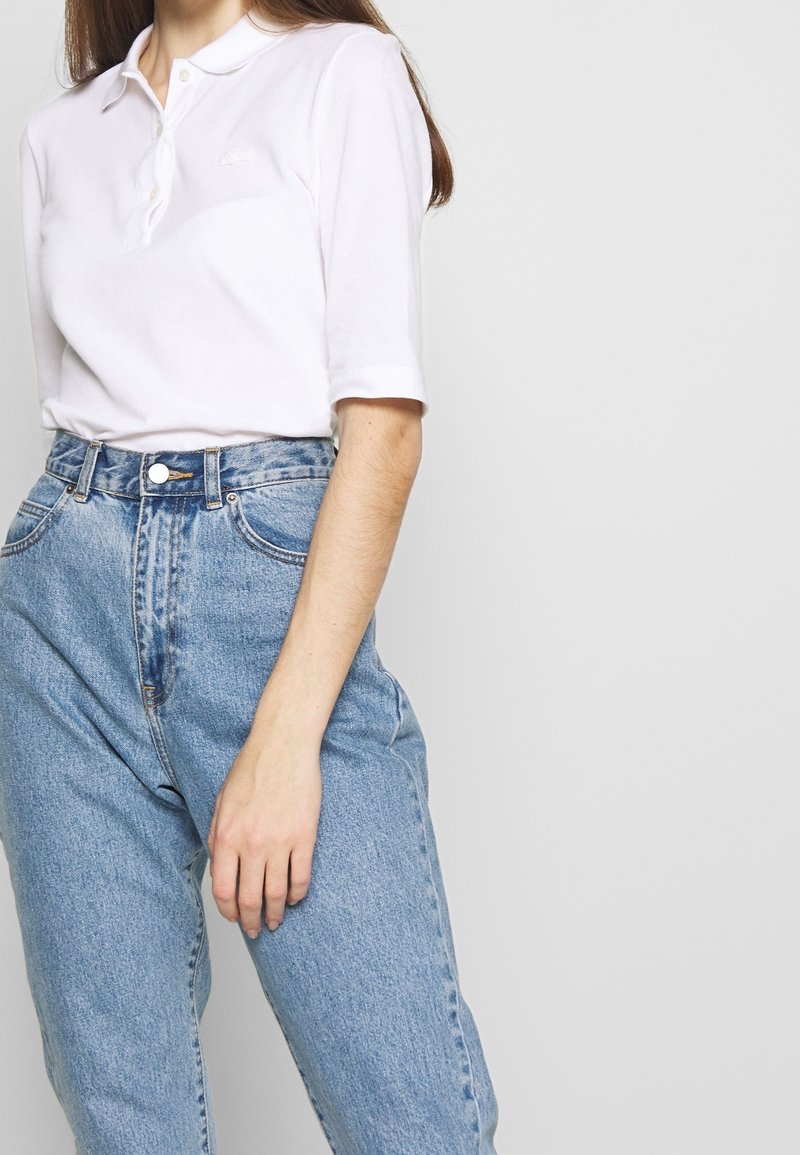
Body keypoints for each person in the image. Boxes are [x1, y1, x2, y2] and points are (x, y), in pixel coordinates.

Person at [0, 1, 501, 1152]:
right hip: (59, 609)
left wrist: (284, 739)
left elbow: (381, 427)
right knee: (123, 1116)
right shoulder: (61, 135)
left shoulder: (342, 73)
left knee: (409, 1112)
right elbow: (78, 400)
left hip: (268, 592)